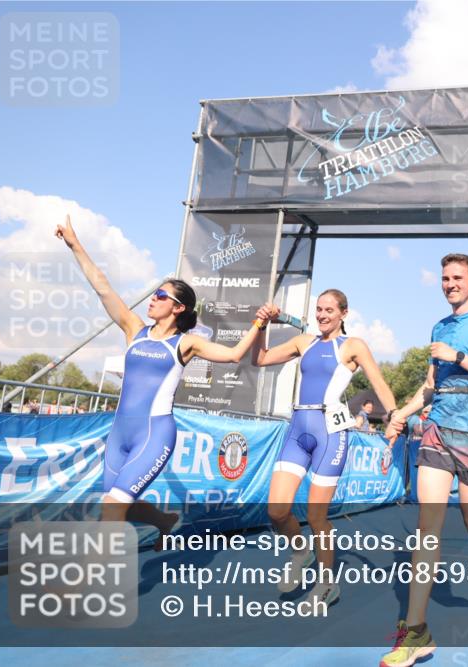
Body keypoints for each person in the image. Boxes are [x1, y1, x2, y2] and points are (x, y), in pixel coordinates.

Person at [55, 214, 274, 547]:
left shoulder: (185, 343)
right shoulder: (134, 330)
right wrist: (74, 244)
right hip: (119, 435)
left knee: (112, 509)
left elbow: (233, 356)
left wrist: (258, 324)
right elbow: (102, 286)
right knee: (119, 505)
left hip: (154, 434)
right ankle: (163, 519)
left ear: (178, 307)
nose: (152, 299)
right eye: (154, 294)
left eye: (160, 295)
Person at [381, 253, 468, 667]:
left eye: (457, 277)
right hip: (438, 427)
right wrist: (401, 416)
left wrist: (458, 357)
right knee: (428, 527)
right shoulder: (440, 327)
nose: (449, 283)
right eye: (444, 278)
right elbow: (429, 387)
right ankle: (417, 629)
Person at [251, 289, 397, 608]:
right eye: (318, 309)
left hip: (330, 433)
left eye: (329, 309)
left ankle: (327, 583)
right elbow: (259, 359)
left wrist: (395, 418)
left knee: (317, 516)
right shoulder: (305, 342)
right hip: (298, 428)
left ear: (344, 313)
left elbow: (380, 383)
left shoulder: (353, 346)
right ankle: (301, 551)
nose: (322, 314)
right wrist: (262, 325)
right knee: (277, 510)